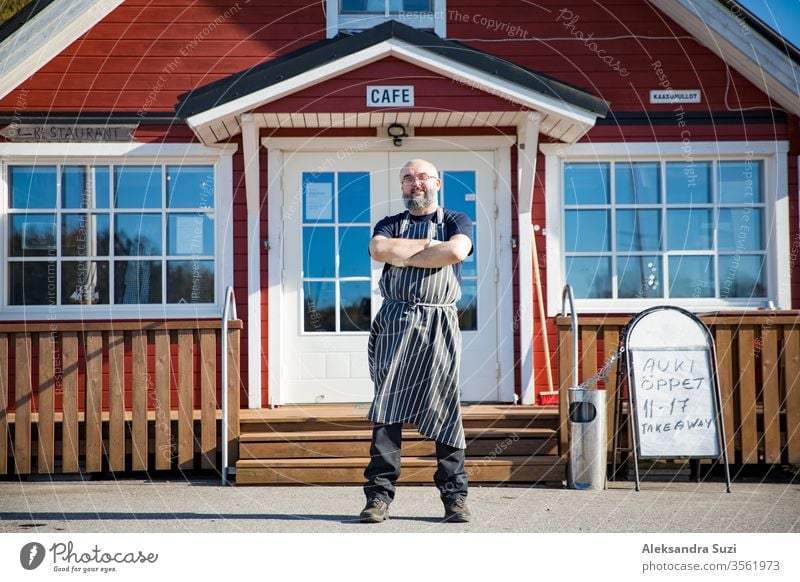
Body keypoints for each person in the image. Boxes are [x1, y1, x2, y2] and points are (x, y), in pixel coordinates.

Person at [360, 158, 473, 523]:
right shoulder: (388, 223)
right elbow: (379, 250)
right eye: (408, 179)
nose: (416, 184)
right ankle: (378, 498)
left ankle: (455, 498)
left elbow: (455, 251)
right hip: (395, 321)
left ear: (437, 182)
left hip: (439, 322)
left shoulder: (456, 221)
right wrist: (428, 247)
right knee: (387, 409)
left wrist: (404, 252)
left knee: (445, 406)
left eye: (423, 177)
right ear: (402, 186)